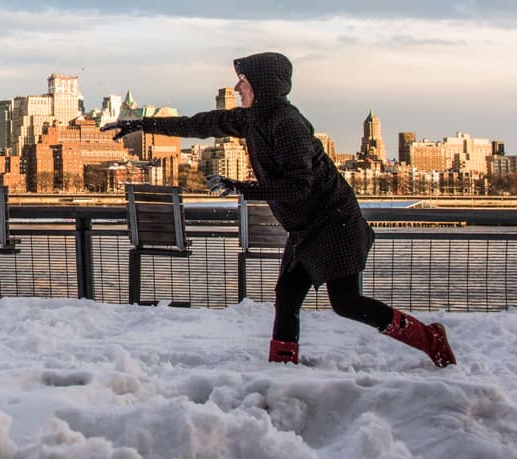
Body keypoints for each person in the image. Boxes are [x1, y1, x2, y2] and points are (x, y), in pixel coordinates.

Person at [102, 52, 455, 368]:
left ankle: (430, 338)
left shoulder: (287, 124)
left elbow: (299, 184)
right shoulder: (254, 118)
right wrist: (142, 124)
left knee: (346, 302)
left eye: (243, 81)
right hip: (308, 226)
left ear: (262, 85)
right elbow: (200, 124)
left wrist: (244, 189)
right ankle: (283, 365)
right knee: (287, 294)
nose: (237, 87)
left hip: (334, 222)